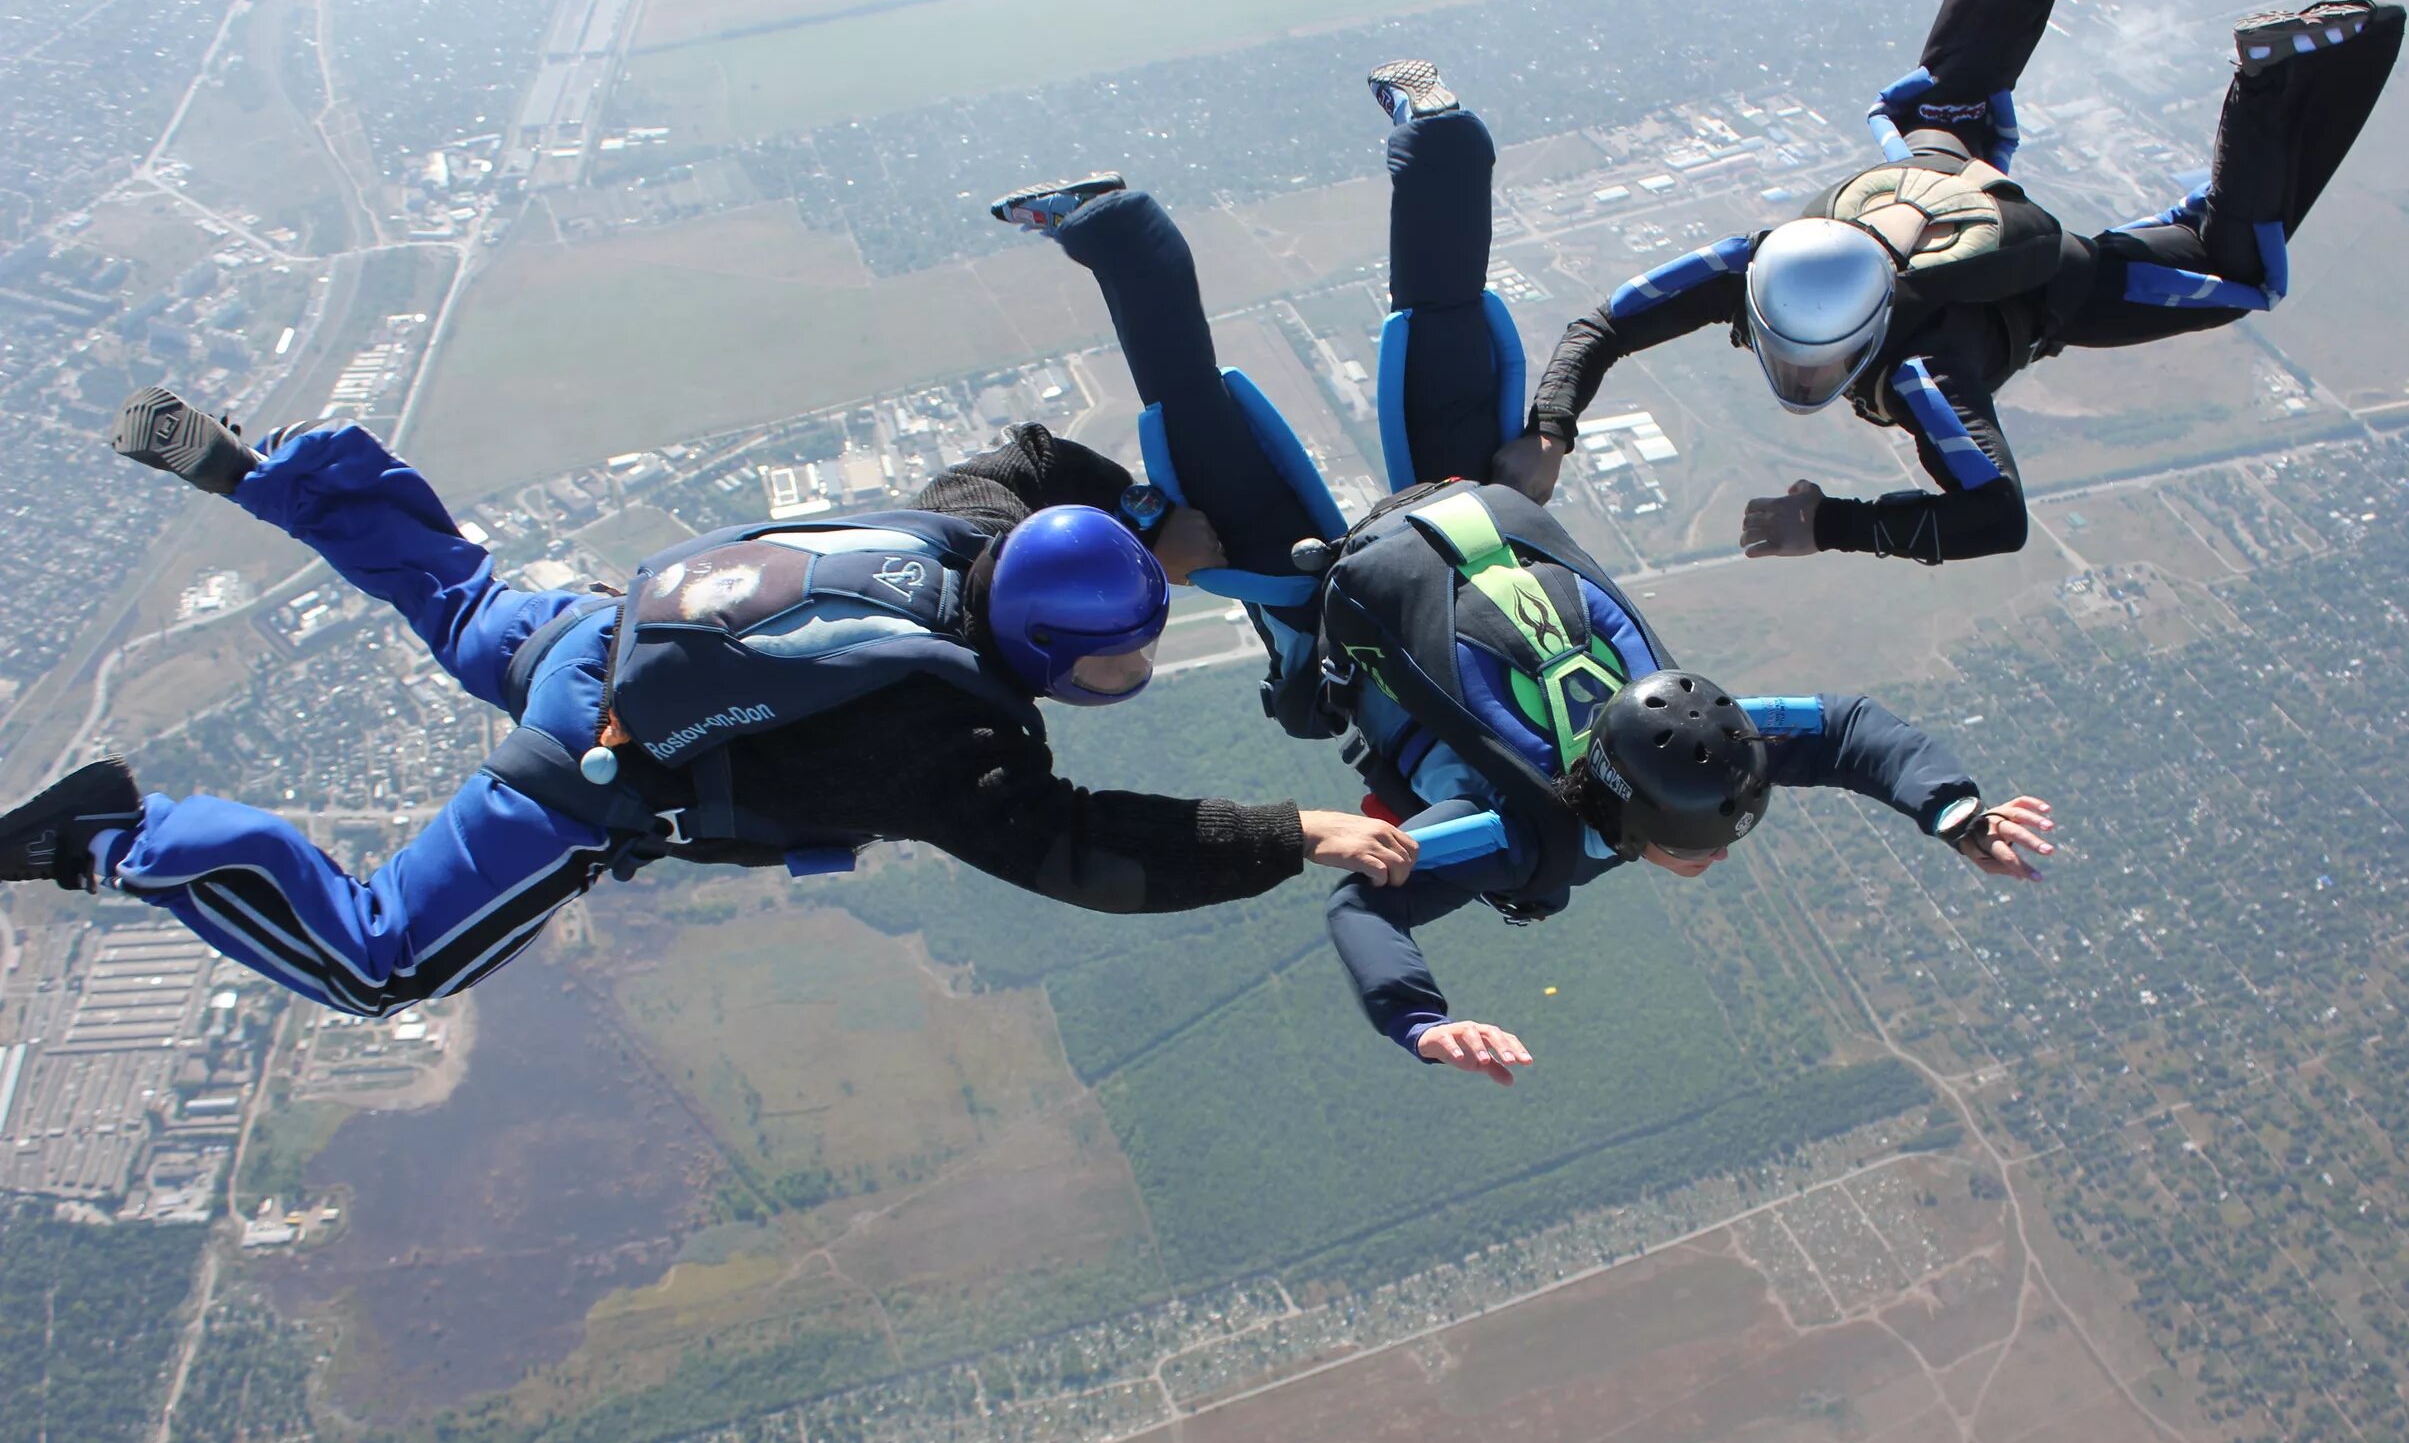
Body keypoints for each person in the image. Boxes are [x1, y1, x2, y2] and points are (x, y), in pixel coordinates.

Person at [994, 67, 2055, 1085]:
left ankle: (1441, 137)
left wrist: (1954, 811)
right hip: (1340, 592)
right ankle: (1117, 230)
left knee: (1442, 325)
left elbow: (1846, 732)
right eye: (1702, 840)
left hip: (1486, 505)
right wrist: (1420, 1023)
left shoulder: (1706, 737)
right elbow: (1365, 908)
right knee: (1211, 457)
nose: (1718, 854)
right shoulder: (1519, 836)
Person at [0, 389, 1416, 1018]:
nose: (1136, 673)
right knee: (381, 963)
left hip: (589, 634)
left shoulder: (964, 526)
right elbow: (1100, 855)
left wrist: (1153, 520)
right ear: (1051, 661)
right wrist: (1292, 831)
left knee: (448, 592)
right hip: (591, 762)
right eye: (1125, 659)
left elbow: (1036, 454)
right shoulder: (953, 748)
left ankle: (274, 477)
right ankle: (128, 834)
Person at [1529, 0, 2406, 568]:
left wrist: (1827, 525)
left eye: (1813, 369)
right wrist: (1549, 433)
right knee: (1946, 114)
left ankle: (2272, 85)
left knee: (2237, 273)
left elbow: (1998, 519)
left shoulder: (1919, 374)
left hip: (2055, 276)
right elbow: (1604, 324)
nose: (1802, 388)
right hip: (1925, 195)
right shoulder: (1759, 263)